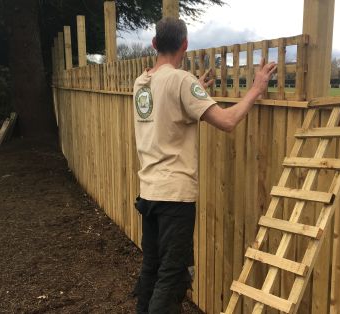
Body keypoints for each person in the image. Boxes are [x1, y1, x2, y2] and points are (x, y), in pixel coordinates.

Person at [132, 17, 277, 314]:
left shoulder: (142, 82)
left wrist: (196, 88)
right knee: (171, 277)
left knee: (151, 270)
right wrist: (256, 88)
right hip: (175, 197)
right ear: (185, 45)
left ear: (154, 44)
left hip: (148, 193)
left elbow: (167, 105)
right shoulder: (181, 81)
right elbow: (227, 121)